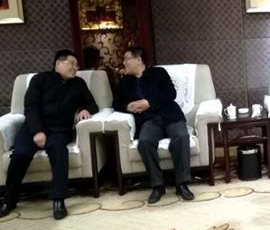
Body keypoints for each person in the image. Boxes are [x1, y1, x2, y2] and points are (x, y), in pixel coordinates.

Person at [0, 50, 98, 220]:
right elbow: (30, 107)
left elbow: (92, 104)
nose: (76, 68)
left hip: (59, 129)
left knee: (59, 150)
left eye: (77, 65)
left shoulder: (79, 84)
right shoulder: (40, 80)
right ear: (58, 63)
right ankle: (9, 199)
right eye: (72, 63)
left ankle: (58, 200)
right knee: (20, 154)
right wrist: (37, 131)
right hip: (33, 127)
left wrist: (84, 109)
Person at [113, 46, 194, 203]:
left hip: (171, 116)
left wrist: (149, 103)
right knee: (144, 142)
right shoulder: (125, 82)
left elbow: (170, 94)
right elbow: (116, 103)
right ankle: (158, 185)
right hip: (149, 120)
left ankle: (182, 184)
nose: (124, 63)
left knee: (181, 136)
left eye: (127, 59)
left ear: (138, 59)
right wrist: (127, 106)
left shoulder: (159, 73)